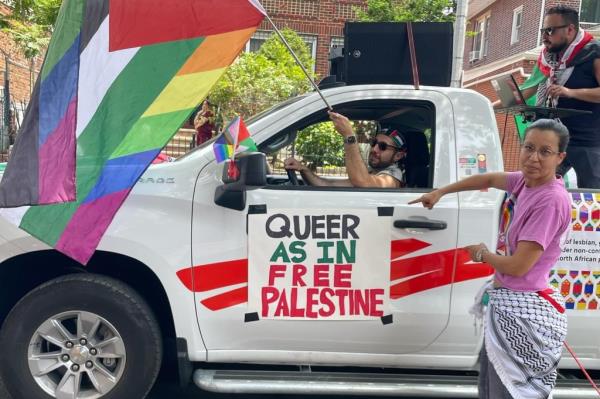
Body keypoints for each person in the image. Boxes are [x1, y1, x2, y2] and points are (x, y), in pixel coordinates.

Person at [409, 119, 571, 399]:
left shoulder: (550, 201)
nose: (534, 158)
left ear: (560, 157)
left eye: (545, 152)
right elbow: (487, 179)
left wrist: (483, 254)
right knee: (490, 389)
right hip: (505, 304)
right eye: (528, 148)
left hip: (523, 315)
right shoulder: (524, 182)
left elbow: (519, 267)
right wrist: (440, 192)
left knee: (506, 393)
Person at [522, 5, 600, 188]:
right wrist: (487, 105)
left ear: (570, 30)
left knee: (591, 199)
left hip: (588, 142)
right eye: (543, 30)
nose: (544, 36)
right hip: (555, 137)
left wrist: (570, 92)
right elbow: (527, 92)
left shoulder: (593, 52)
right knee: (536, 186)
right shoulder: (549, 56)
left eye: (550, 30)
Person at [284, 111, 407, 188]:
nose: (374, 149)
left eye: (383, 147)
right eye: (374, 143)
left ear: (398, 156)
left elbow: (364, 183)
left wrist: (349, 136)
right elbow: (327, 185)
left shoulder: (393, 178)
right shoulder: (374, 172)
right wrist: (304, 169)